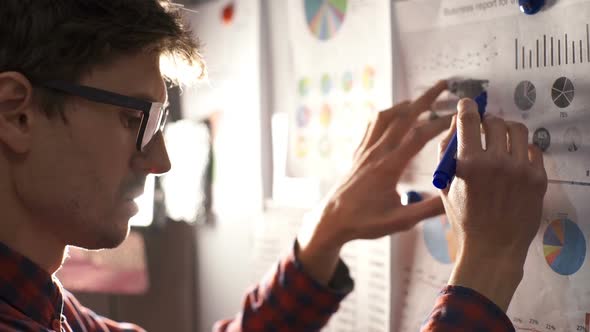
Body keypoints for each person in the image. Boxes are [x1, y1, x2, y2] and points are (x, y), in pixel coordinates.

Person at [0, 1, 547, 331]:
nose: (160, 159)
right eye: (135, 120)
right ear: (18, 115)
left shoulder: (43, 302)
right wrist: (490, 262)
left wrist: (326, 230)